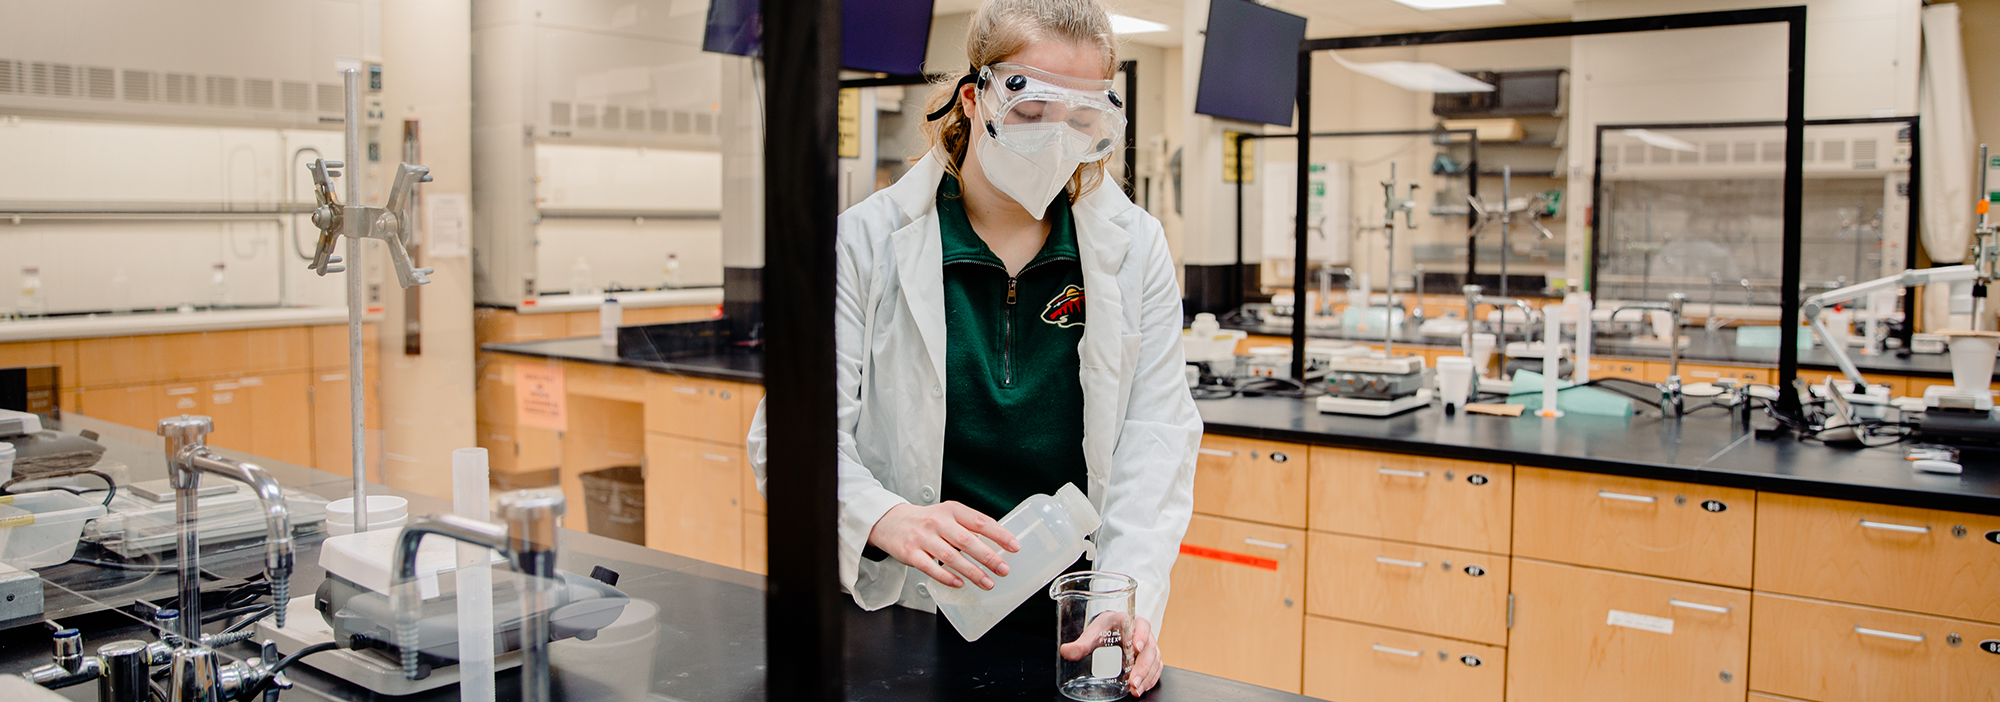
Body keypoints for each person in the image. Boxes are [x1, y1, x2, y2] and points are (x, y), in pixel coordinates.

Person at [748, 0, 1200, 695]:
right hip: (909, 609)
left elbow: (1156, 440)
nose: (1057, 139)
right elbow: (788, 438)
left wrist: (1117, 599)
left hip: (1070, 622)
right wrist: (884, 516)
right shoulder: (866, 241)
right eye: (1031, 112)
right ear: (975, 97)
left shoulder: (1131, 247)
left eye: (1082, 120)